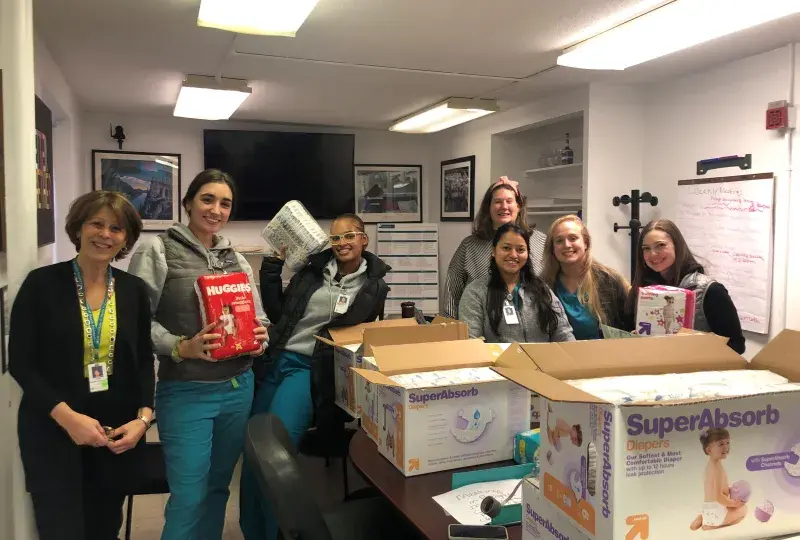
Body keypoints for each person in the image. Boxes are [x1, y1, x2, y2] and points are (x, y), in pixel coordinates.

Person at [128, 169, 269, 540]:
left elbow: (259, 316)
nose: (216, 209)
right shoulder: (157, 250)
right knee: (189, 496)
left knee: (219, 488)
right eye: (207, 199)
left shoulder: (235, 257)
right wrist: (180, 346)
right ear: (188, 202)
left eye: (225, 203)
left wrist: (259, 335)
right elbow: (136, 322)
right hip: (187, 392)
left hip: (238, 389)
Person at [9, 191, 154, 540]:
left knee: (104, 527)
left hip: (112, 433)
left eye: (116, 228)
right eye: (97, 224)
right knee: (61, 529)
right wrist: (67, 418)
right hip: (53, 429)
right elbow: (21, 362)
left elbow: (144, 360)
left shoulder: (134, 290)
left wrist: (143, 419)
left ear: (126, 238)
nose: (105, 234)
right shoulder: (41, 284)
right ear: (78, 228)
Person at [240, 213, 390, 540]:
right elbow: (281, 313)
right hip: (275, 359)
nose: (341, 243)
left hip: (309, 370)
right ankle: (253, 531)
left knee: (274, 455)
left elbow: (358, 337)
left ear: (364, 239)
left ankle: (272, 534)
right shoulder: (312, 272)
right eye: (335, 238)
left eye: (349, 236)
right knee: (253, 449)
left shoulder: (375, 286)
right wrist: (271, 268)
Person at [626, 219, 745, 353]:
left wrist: (693, 343)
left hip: (697, 371)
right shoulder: (643, 290)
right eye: (646, 249)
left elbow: (737, 346)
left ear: (677, 246)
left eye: (660, 245)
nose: (653, 254)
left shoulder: (710, 290)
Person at [443, 176, 547, 318]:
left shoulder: (540, 241)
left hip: (533, 329)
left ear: (519, 206)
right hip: (479, 328)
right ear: (489, 208)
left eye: (509, 201)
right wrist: (453, 330)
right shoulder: (469, 246)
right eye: (497, 201)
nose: (504, 206)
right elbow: (452, 294)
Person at [458, 223, 574, 343]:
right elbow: (472, 343)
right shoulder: (475, 292)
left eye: (520, 250)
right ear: (493, 251)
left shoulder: (542, 289)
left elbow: (563, 334)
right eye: (506, 248)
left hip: (542, 361)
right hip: (497, 362)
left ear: (527, 254)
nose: (513, 255)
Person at [541, 215, 630, 339]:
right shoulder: (542, 286)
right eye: (559, 241)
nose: (567, 245)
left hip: (606, 355)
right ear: (552, 248)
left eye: (573, 238)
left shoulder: (610, 280)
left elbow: (630, 324)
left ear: (586, 243)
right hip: (561, 356)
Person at [690, 428, 747, 531]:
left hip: (708, 508)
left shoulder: (710, 466)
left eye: (727, 443)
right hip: (717, 513)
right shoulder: (718, 470)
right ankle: (711, 525)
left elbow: (713, 489)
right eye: (721, 444)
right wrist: (733, 503)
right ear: (709, 450)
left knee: (730, 508)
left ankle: (702, 517)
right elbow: (718, 497)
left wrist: (729, 490)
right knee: (743, 511)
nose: (726, 447)